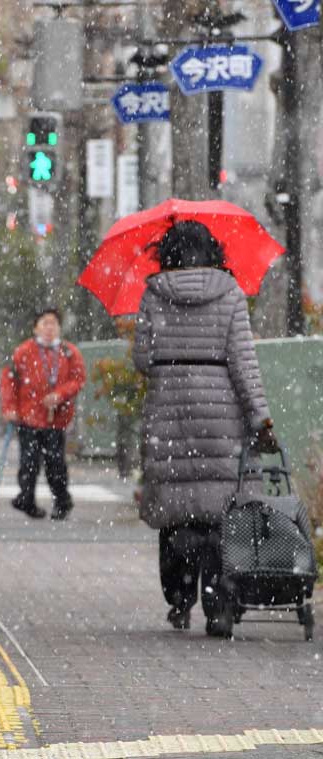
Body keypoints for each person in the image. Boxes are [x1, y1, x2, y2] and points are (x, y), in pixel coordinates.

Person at [132, 220, 278, 636]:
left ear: (168, 252)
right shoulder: (230, 294)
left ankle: (179, 599)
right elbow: (244, 366)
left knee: (176, 512)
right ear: (213, 251)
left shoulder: (153, 293)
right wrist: (261, 420)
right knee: (220, 518)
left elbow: (142, 360)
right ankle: (219, 608)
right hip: (222, 419)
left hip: (168, 414)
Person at [0, 307, 86, 520]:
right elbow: (9, 381)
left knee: (55, 464)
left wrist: (60, 394)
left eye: (53, 323)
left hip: (56, 419)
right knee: (28, 462)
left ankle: (61, 500)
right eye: (45, 323)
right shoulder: (23, 351)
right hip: (28, 417)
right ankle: (27, 498)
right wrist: (9, 408)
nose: (49, 328)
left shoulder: (68, 352)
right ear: (35, 328)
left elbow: (78, 380)